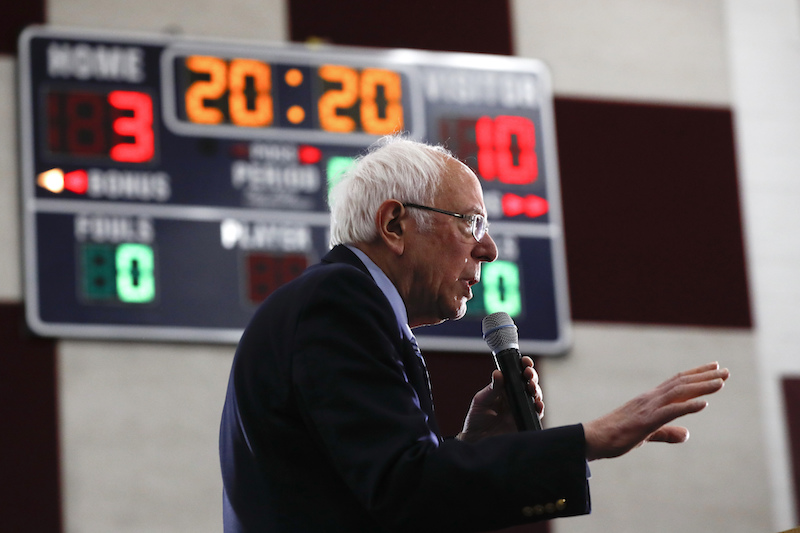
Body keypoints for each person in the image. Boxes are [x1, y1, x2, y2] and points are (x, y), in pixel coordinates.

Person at [219, 135, 729, 532]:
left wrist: (470, 443)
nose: (488, 248)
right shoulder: (339, 304)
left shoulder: (343, 303)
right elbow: (405, 491)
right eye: (471, 221)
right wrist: (589, 440)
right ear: (394, 223)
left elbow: (374, 490)